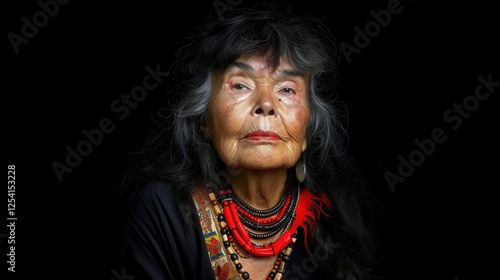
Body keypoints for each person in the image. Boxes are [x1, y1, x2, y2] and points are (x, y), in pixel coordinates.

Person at [116, 2, 385, 280]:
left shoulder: (339, 217)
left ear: (307, 130)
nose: (266, 104)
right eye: (240, 85)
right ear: (205, 121)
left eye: (287, 89)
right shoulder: (165, 209)